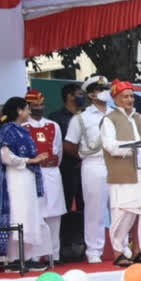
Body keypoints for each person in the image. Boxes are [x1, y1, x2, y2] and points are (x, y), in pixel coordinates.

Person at [100, 79, 141, 267]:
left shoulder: (140, 118)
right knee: (123, 213)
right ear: (116, 99)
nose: (130, 99)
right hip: (122, 173)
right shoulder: (109, 119)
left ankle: (139, 251)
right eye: (125, 96)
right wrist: (133, 149)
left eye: (131, 96)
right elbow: (110, 146)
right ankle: (118, 253)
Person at [0, 97, 52, 271]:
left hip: (26, 176)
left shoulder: (21, 130)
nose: (29, 112)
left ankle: (27, 256)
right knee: (19, 215)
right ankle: (14, 259)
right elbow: (6, 156)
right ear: (19, 111)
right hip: (16, 178)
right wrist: (30, 160)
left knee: (29, 214)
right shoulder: (8, 130)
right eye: (26, 109)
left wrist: (32, 161)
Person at [64, 75, 111, 264]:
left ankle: (121, 247)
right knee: (95, 209)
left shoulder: (117, 113)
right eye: (101, 89)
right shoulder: (81, 118)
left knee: (120, 207)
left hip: (117, 163)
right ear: (91, 94)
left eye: (106, 88)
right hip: (94, 163)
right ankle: (94, 250)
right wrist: (84, 156)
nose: (106, 92)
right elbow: (69, 145)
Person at [24, 89, 66, 264]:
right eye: (35, 106)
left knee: (55, 215)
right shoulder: (23, 127)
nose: (39, 108)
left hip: (52, 172)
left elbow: (59, 151)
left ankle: (53, 255)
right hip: (33, 173)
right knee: (36, 214)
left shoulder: (53, 125)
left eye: (41, 105)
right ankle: (34, 255)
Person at [48, 83, 85, 212]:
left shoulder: (86, 116)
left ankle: (82, 232)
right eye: (80, 94)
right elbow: (60, 144)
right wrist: (80, 156)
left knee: (86, 205)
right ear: (70, 96)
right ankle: (65, 232)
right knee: (65, 204)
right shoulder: (56, 118)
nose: (83, 97)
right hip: (67, 168)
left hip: (87, 167)